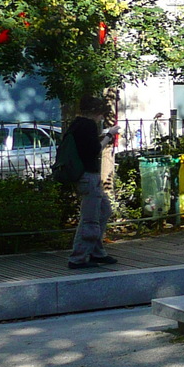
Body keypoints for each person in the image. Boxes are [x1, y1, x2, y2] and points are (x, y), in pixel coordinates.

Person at [67, 96, 114, 269]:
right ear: (96, 112)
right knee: (90, 219)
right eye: (101, 114)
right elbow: (94, 150)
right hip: (89, 176)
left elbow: (86, 145)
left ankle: (96, 251)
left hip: (86, 175)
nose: (102, 118)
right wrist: (109, 135)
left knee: (104, 210)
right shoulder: (88, 125)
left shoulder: (77, 124)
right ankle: (78, 257)